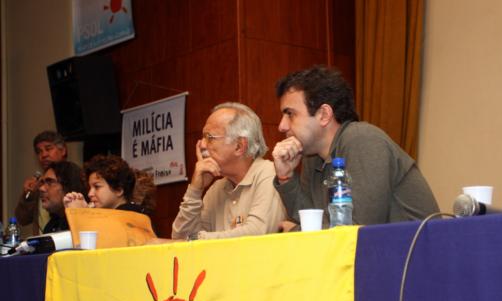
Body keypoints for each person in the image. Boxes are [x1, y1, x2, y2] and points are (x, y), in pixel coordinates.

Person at [271, 66, 439, 227]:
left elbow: (357, 229)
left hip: (415, 253)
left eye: (290, 114)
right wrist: (285, 177)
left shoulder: (363, 140)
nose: (282, 126)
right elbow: (309, 223)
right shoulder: (312, 157)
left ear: (323, 115)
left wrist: (294, 231)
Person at [171, 102, 286, 240]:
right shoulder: (216, 188)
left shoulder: (269, 174)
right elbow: (179, 241)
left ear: (239, 146)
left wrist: (195, 240)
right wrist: (196, 190)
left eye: (210, 138)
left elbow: (257, 234)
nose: (201, 145)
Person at [15, 130, 68, 235]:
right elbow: (22, 219)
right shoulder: (37, 183)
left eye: (48, 149)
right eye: (39, 151)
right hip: (42, 244)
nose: (43, 155)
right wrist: (28, 196)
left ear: (63, 151)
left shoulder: (75, 176)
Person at [63, 154, 152, 215]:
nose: (90, 194)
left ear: (118, 190)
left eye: (97, 187)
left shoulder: (131, 213)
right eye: (90, 188)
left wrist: (82, 215)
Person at [39, 161, 86, 234]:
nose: (41, 188)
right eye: (42, 183)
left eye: (50, 182)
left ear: (68, 185)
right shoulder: (50, 226)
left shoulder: (87, 223)